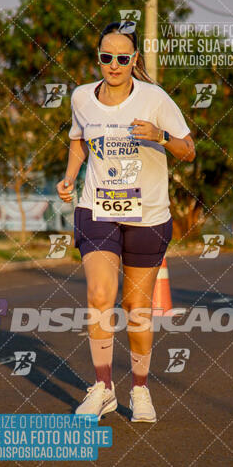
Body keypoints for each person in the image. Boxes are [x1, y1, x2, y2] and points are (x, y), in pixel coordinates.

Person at [57, 21, 195, 422]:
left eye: (122, 57)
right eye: (106, 57)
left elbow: (189, 150)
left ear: (134, 61)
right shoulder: (82, 97)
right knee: (101, 294)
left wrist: (159, 137)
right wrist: (69, 177)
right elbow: (78, 141)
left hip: (148, 214)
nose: (113, 64)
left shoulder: (155, 99)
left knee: (136, 306)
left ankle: (139, 390)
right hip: (97, 207)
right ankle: (102, 387)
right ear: (98, 59)